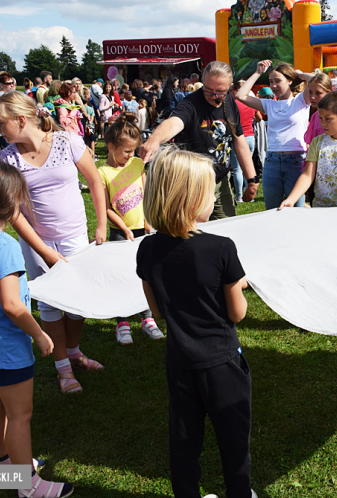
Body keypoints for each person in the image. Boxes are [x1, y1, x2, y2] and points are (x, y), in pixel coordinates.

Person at [135, 146, 255, 498]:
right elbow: (238, 313)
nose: (215, 196)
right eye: (210, 191)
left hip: (179, 359)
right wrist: (236, 283)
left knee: (184, 436)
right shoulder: (221, 248)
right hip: (222, 361)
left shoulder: (147, 249)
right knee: (234, 437)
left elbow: (156, 311)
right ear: (188, 198)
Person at [0, 160, 74, 498]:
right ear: (11, 202)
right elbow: (12, 305)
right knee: (20, 415)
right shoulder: (5, 246)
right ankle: (28, 486)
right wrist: (39, 332)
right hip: (6, 347)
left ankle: (4, 467)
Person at [0, 91, 107, 395]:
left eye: (1, 123)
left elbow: (95, 180)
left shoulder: (67, 141)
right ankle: (63, 368)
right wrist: (42, 250)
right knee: (49, 304)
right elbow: (13, 212)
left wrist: (102, 225)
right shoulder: (7, 158)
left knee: (77, 300)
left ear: (20, 119)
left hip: (75, 235)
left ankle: (74, 350)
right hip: (35, 242)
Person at [139, 61, 259, 219]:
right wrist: (155, 139)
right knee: (191, 233)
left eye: (220, 91)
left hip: (220, 181)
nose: (214, 96)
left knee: (227, 228)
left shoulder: (229, 101)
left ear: (230, 86)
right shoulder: (190, 104)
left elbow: (239, 140)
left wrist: (252, 179)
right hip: (193, 183)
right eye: (208, 90)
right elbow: (174, 122)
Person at [98, 114, 163, 345]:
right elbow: (106, 207)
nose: (130, 156)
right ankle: (122, 322)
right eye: (126, 151)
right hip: (119, 232)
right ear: (111, 146)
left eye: (133, 151)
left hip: (143, 229)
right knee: (121, 275)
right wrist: (124, 228)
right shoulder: (102, 173)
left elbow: (145, 193)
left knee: (145, 274)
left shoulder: (137, 164)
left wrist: (147, 220)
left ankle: (147, 318)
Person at [235, 60, 312, 209]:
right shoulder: (269, 104)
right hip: (272, 161)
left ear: (289, 81)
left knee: (296, 210)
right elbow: (240, 95)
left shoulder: (301, 101)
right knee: (271, 211)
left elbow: (316, 80)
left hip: (296, 161)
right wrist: (258, 72)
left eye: (278, 81)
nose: (273, 86)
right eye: (271, 82)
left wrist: (299, 74)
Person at [280, 91, 337, 209]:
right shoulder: (317, 142)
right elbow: (307, 175)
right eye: (321, 118)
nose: (322, 124)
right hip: (319, 209)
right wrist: (291, 199)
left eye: (328, 119)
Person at [229, 80, 259, 203]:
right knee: (249, 167)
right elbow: (260, 118)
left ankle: (239, 196)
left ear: (236, 90)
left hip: (238, 138)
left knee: (237, 170)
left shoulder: (233, 104)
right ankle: (249, 194)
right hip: (250, 137)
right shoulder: (250, 103)